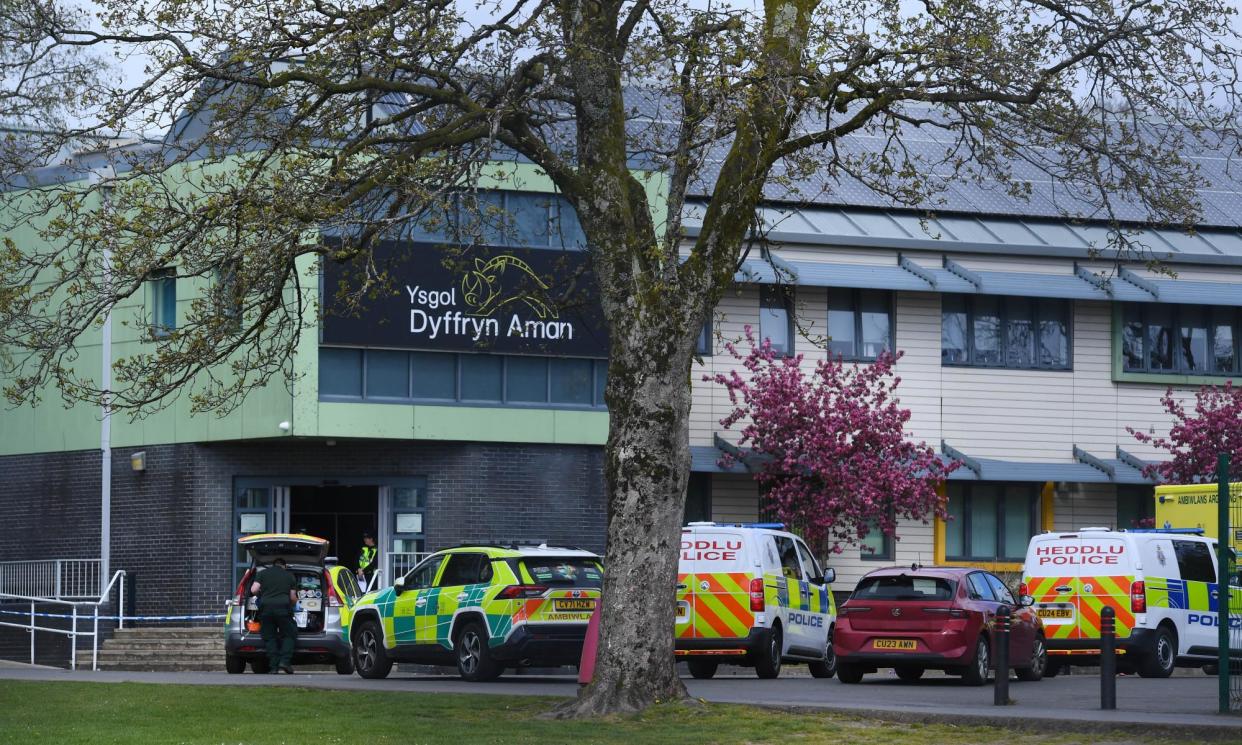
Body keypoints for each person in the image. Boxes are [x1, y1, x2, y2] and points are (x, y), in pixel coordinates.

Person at [250, 557, 297, 674]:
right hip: (283, 609)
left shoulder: (262, 573)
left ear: (273, 564)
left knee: (269, 637)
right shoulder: (289, 576)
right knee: (289, 634)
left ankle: (273, 667)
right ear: (284, 566)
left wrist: (263, 592)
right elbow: (292, 598)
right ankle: (284, 662)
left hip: (266, 609)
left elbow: (253, 590)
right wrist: (294, 603)